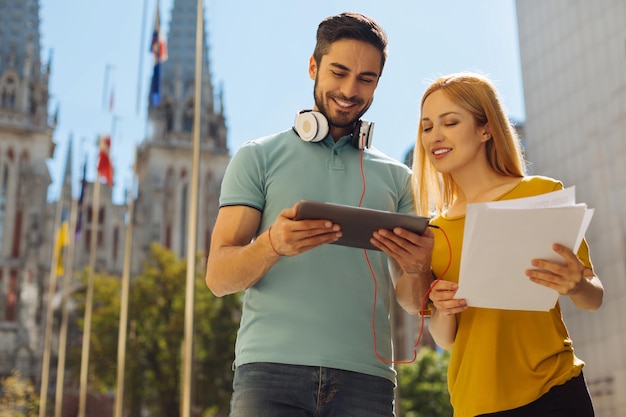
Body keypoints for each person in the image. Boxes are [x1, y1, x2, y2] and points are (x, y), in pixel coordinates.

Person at [206, 12, 434, 417]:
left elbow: (413, 302)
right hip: (269, 375)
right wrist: (272, 245)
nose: (349, 90)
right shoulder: (257, 157)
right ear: (313, 67)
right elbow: (219, 278)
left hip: (369, 380)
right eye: (339, 72)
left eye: (366, 79)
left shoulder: (400, 179)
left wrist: (418, 270)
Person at [412, 72, 604, 417]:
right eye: (427, 127)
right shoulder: (434, 232)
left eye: (450, 122)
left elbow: (593, 298)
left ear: (486, 129)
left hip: (555, 391)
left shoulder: (541, 194)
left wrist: (578, 283)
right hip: (475, 404)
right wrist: (443, 308)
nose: (435, 136)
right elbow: (445, 339)